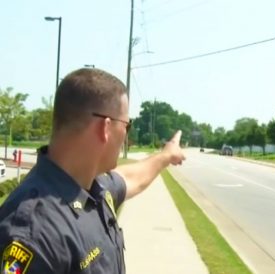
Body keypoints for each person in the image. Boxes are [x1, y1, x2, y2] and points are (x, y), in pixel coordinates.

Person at [0, 68, 185, 273]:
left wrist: (166, 155)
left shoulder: (94, 188)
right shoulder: (34, 233)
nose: (126, 136)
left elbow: (131, 178)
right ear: (105, 128)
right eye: (127, 125)